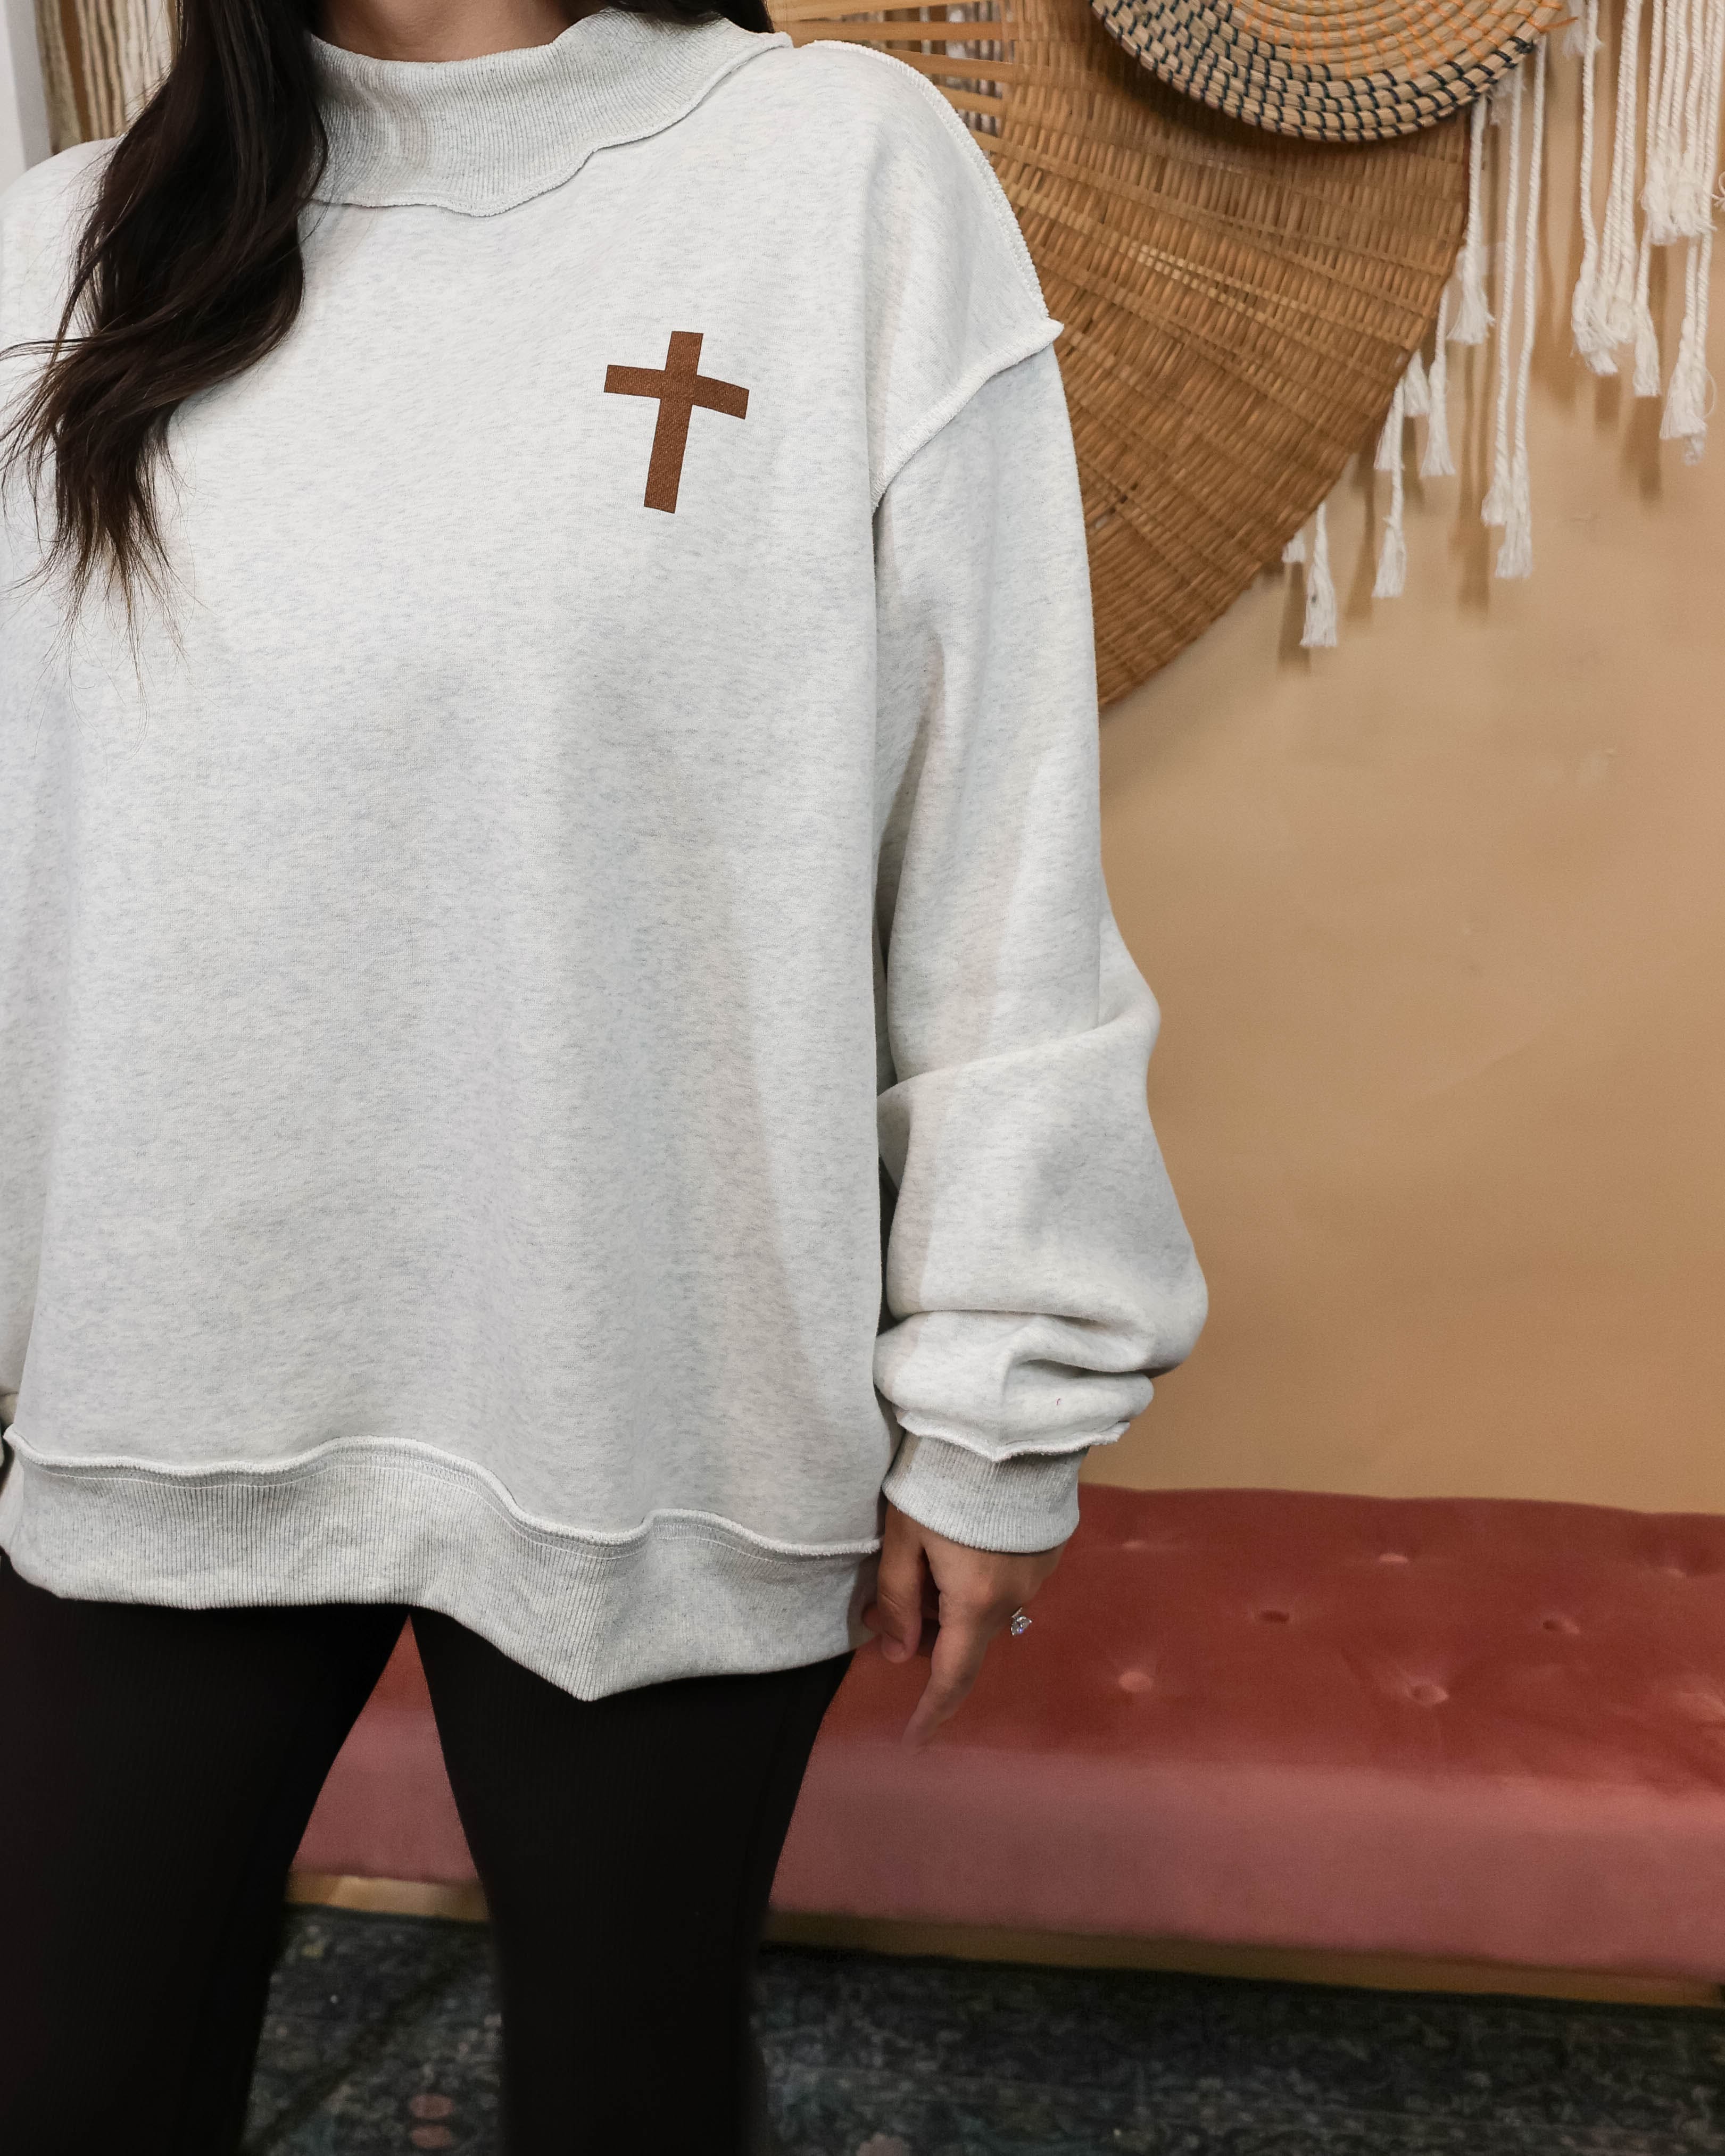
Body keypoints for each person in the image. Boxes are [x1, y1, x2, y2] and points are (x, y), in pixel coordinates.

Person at [0, 0, 1207, 2146]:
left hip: (649, 1367)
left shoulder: (832, 174)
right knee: (69, 2083)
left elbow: (991, 827)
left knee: (627, 2096)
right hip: (150, 1359)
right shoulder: (68, 246)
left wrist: (998, 1392)